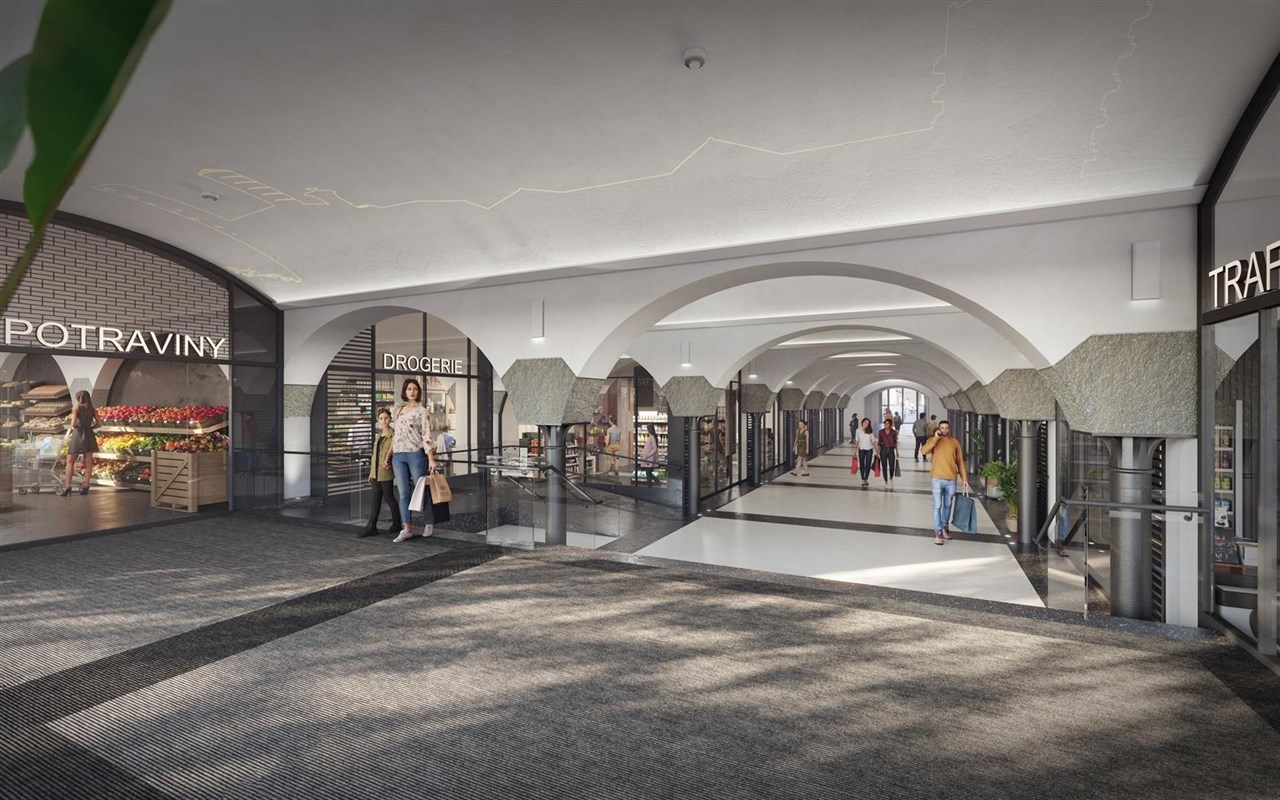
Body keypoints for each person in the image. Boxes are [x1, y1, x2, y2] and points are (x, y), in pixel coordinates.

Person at [390, 378, 438, 542]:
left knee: (421, 490)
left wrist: (431, 459)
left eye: (415, 389)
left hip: (415, 454)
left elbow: (426, 435)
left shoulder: (422, 411)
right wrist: (389, 455)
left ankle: (429, 522)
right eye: (409, 389)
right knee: (403, 493)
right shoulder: (399, 411)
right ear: (405, 391)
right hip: (398, 456)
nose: (412, 391)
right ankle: (407, 528)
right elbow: (396, 435)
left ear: (418, 392)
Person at [921, 419, 971, 546]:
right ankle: (938, 532)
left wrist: (964, 478)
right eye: (942, 428)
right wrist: (935, 438)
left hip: (951, 479)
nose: (944, 430)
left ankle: (944, 527)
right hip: (937, 478)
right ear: (939, 429)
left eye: (946, 428)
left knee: (948, 505)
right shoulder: (933, 440)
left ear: (949, 429)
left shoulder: (955, 442)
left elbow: (960, 461)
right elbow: (923, 451)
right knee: (937, 505)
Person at [361, 407, 401, 537]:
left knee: (389, 498)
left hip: (385, 471)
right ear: (378, 420)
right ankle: (372, 526)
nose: (384, 421)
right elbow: (375, 455)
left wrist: (389, 461)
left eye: (386, 418)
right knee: (375, 499)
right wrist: (371, 472)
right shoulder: (378, 435)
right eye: (381, 418)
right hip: (376, 473)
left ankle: (397, 523)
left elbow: (394, 451)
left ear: (390, 419)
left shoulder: (393, 435)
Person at [63, 391, 99, 495]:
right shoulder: (93, 410)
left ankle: (68, 485)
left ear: (78, 398)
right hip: (89, 434)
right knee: (88, 462)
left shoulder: (76, 409)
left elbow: (73, 424)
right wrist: (91, 427)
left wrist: (78, 425)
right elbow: (100, 424)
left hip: (78, 434)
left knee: (70, 461)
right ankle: (86, 484)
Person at [877, 416, 899, 491]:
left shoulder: (894, 432)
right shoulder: (881, 432)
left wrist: (897, 451)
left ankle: (891, 478)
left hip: (891, 450)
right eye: (885, 423)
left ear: (890, 424)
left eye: (887, 423)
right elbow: (879, 442)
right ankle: (886, 481)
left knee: (892, 466)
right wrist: (877, 452)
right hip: (883, 450)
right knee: (884, 466)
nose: (886, 424)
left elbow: (895, 442)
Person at [855, 417, 876, 487]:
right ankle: (862, 479)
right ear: (862, 422)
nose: (866, 424)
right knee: (862, 465)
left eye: (868, 423)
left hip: (869, 449)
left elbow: (873, 441)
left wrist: (877, 451)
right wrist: (855, 451)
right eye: (865, 422)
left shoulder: (870, 431)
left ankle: (866, 478)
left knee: (868, 464)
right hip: (861, 449)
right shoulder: (858, 431)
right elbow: (857, 441)